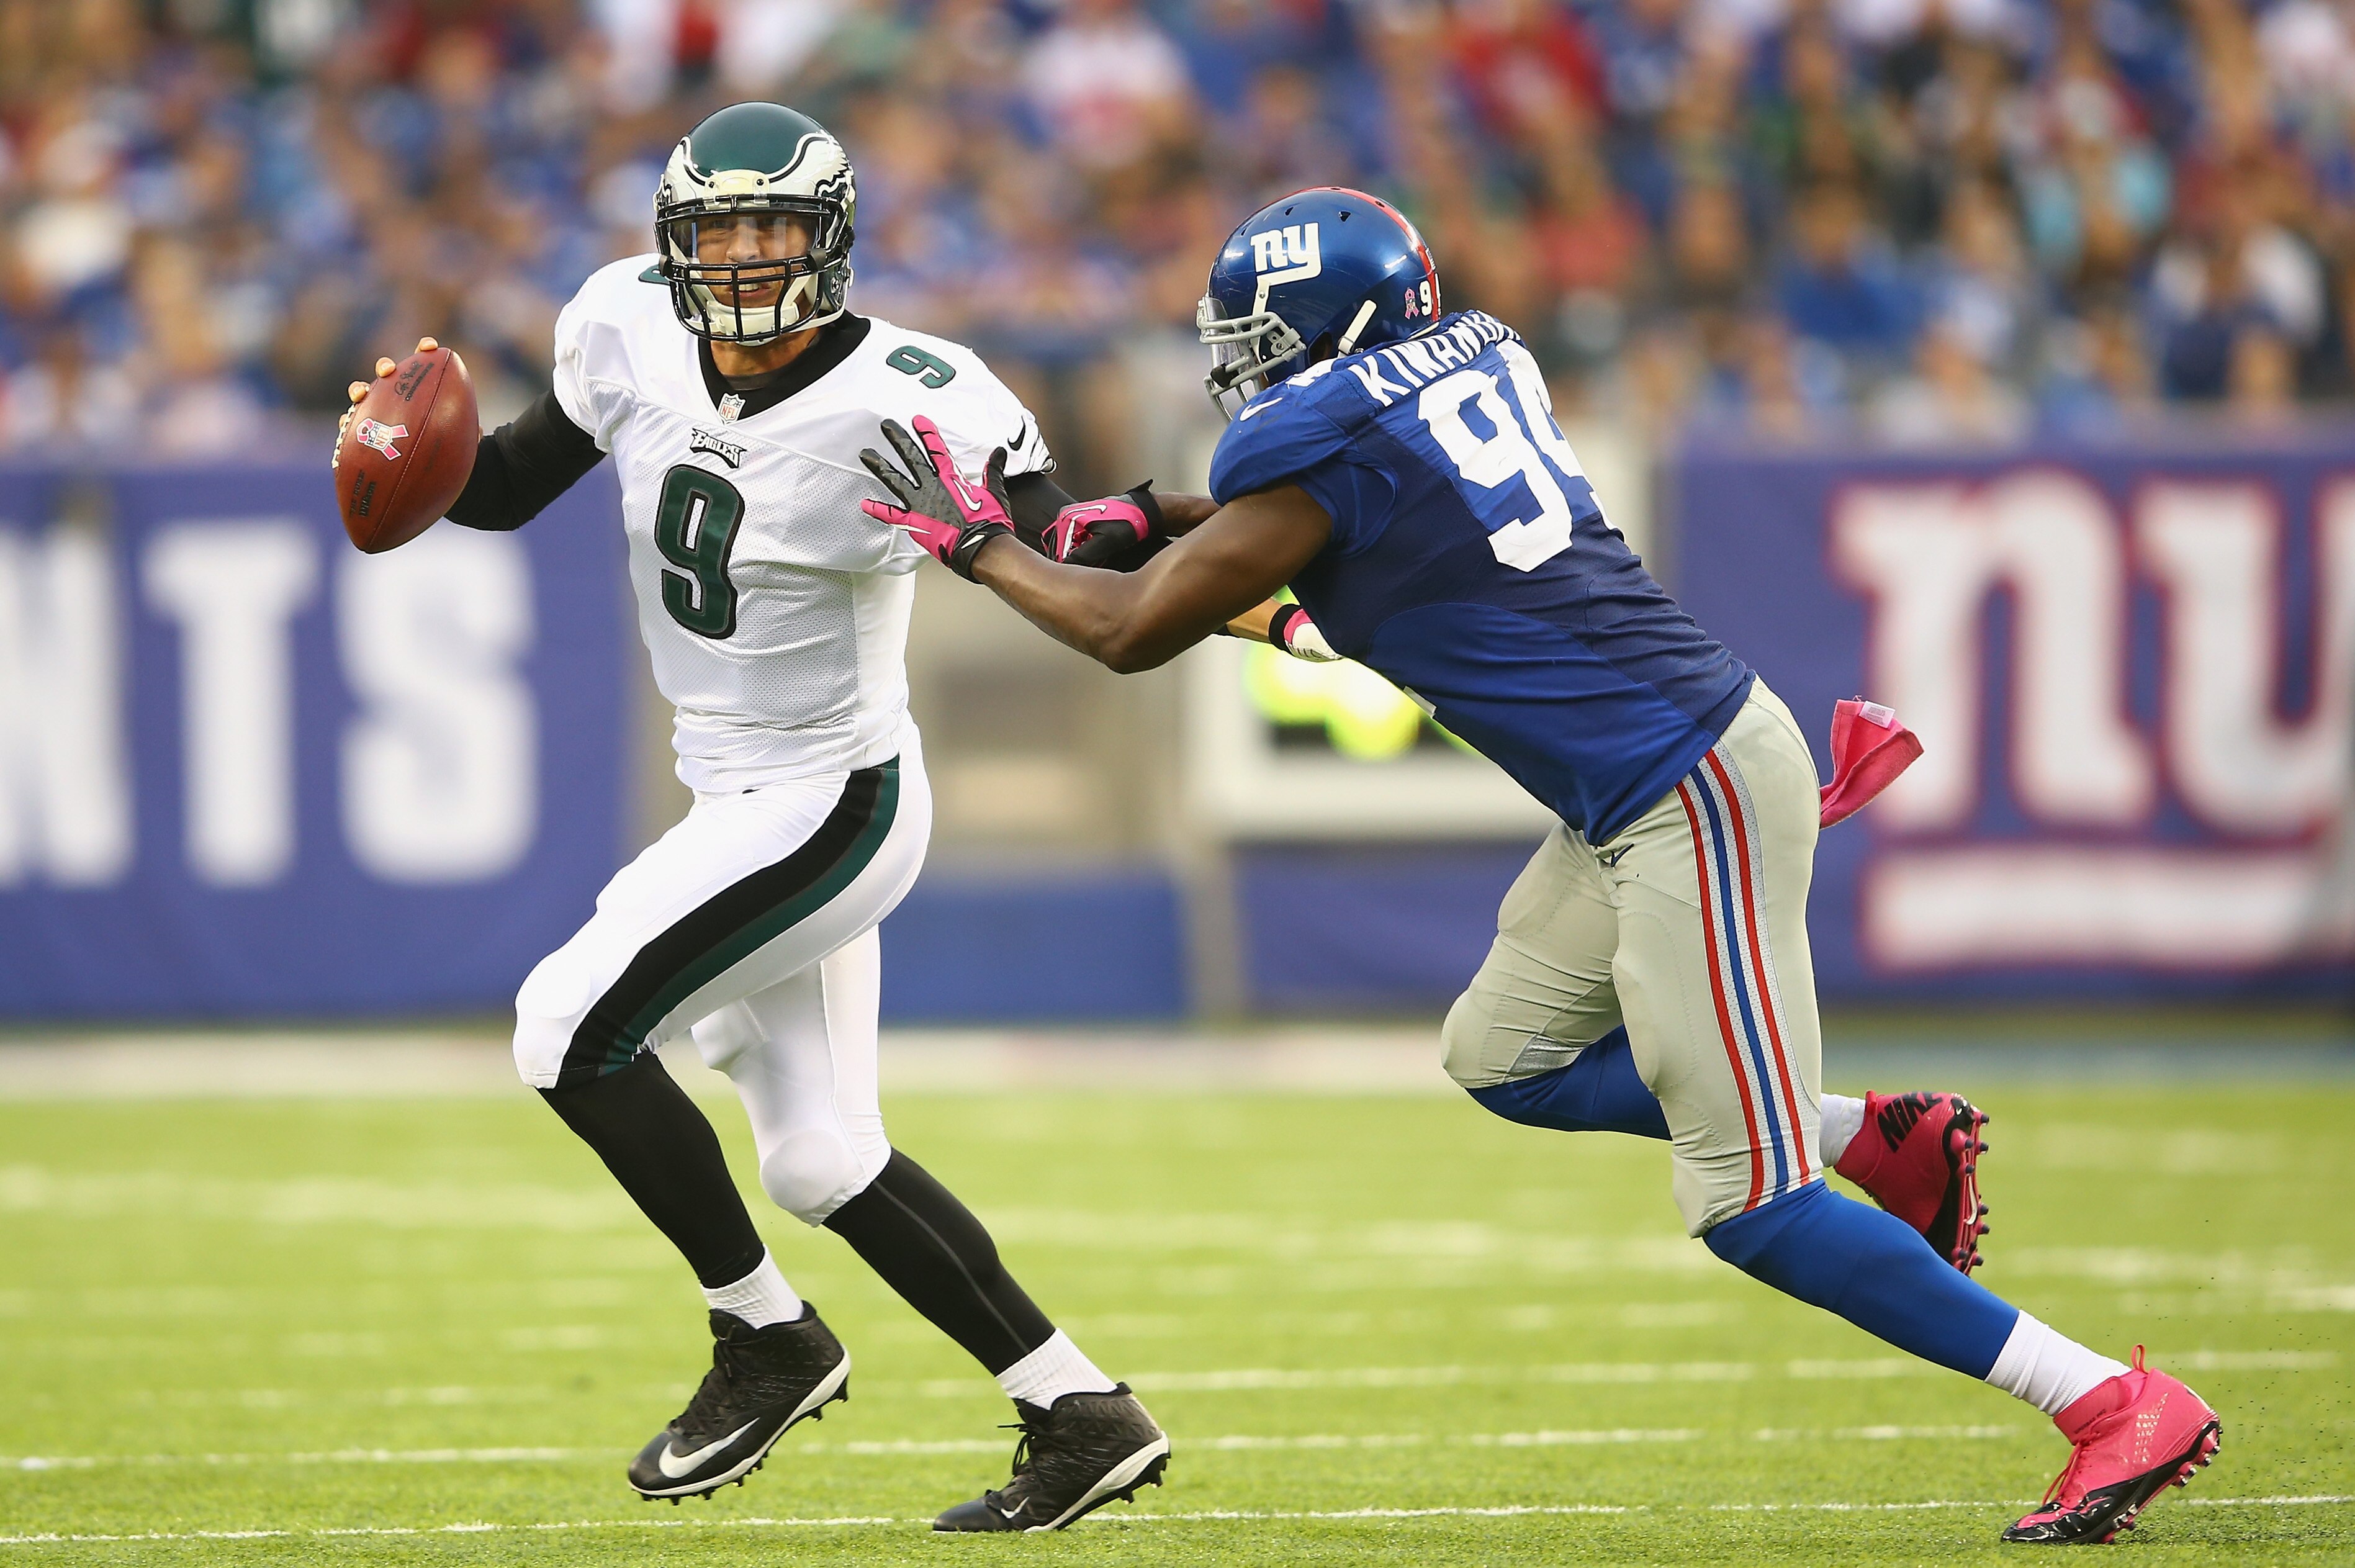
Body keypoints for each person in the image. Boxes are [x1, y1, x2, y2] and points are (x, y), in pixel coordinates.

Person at [859, 185, 2223, 1547]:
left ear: (1332, 333)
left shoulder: (1324, 451)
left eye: (1261, 343)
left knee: (1751, 1203)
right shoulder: (1444, 377)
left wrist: (977, 545)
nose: (1242, 371)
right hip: (1635, 794)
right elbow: (1316, 523)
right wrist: (1158, 511)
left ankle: (2108, 1400)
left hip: (1686, 791)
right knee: (1504, 1056)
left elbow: (1129, 631)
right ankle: (1871, 1135)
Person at [332, 102, 1316, 1532]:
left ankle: (765, 1335)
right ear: (673, 240)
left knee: (564, 1029)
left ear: (832, 240)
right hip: (732, 788)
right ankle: (1079, 1409)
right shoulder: (621, 321)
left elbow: (1067, 540)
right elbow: (506, 485)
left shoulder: (914, 393)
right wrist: (398, 448)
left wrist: (1243, 573)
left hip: (829, 799)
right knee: (820, 1158)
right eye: (718, 227)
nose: (742, 255)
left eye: (772, 226)